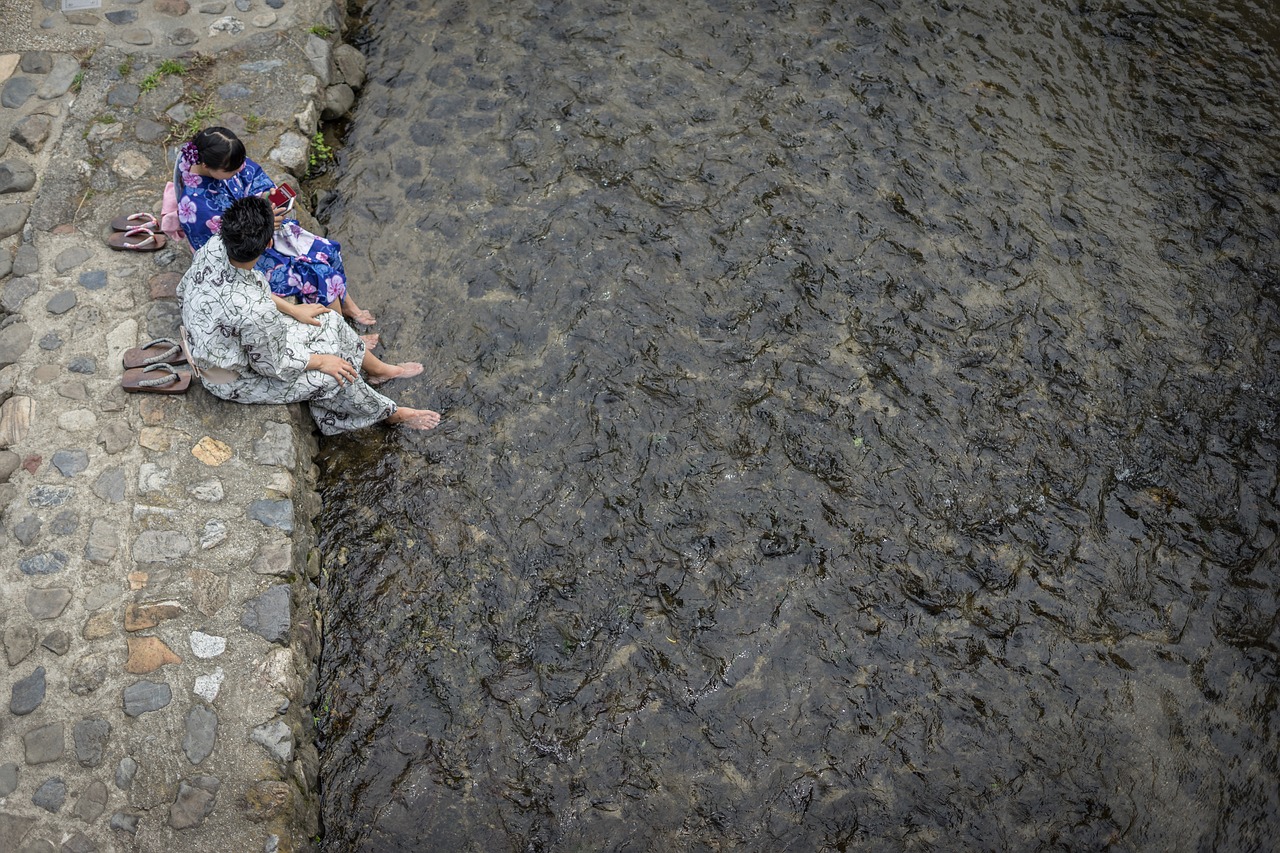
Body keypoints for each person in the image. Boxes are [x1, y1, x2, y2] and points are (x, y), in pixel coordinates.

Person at [178, 195, 441, 434]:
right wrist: (320, 361)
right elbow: (271, 365)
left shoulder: (214, 246)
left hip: (221, 338)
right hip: (231, 379)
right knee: (337, 374)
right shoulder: (256, 312)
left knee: (328, 319)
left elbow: (244, 290)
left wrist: (293, 309)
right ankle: (388, 414)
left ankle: (379, 371)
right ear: (269, 243)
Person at [175, 126, 376, 326]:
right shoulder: (196, 208)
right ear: (208, 166)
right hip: (250, 254)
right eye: (232, 171)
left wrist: (266, 199)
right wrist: (266, 224)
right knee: (317, 274)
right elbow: (231, 246)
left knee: (327, 249)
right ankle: (342, 334)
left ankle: (346, 304)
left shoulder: (221, 160)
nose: (239, 171)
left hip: (265, 228)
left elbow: (254, 179)